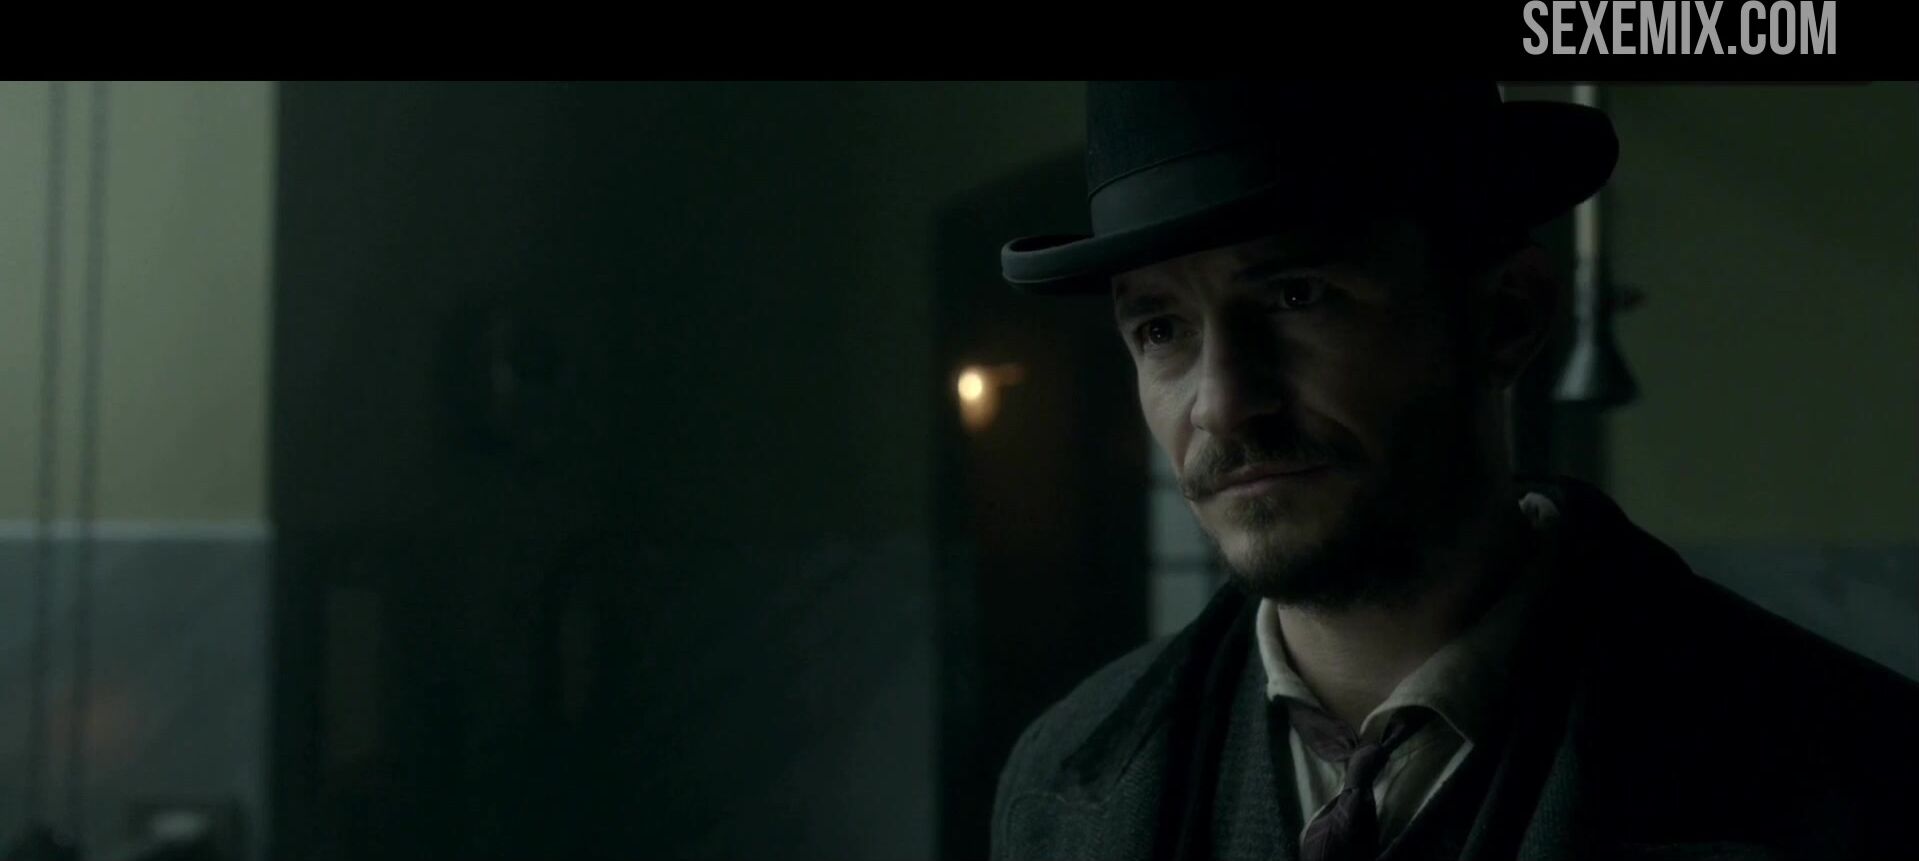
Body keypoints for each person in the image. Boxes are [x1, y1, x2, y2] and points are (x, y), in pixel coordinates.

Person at [989, 81, 1919, 861]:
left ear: (1505, 317)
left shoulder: (1854, 771)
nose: (1224, 403)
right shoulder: (1062, 777)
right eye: (1160, 328)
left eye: (1297, 295)